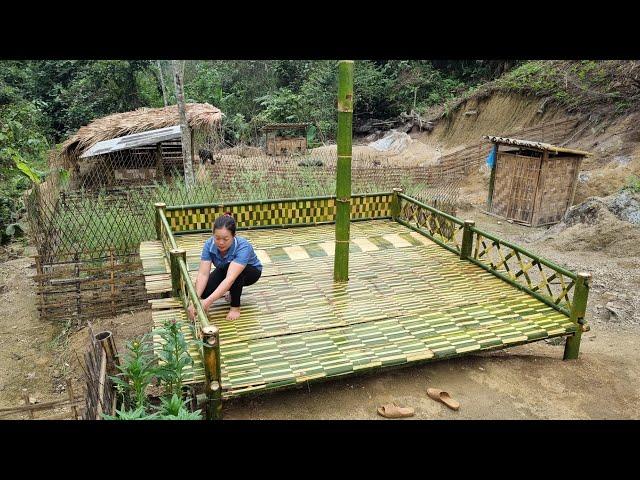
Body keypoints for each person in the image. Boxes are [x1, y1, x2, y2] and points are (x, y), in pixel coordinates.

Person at [187, 213, 262, 321]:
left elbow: (230, 278)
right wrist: (196, 300)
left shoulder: (243, 246)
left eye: (225, 239)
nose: (221, 243)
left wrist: (207, 303)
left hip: (250, 272)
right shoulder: (209, 245)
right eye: (217, 238)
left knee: (236, 277)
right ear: (212, 234)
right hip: (225, 269)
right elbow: (203, 274)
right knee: (204, 292)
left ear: (233, 236)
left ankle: (235, 307)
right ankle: (231, 291)